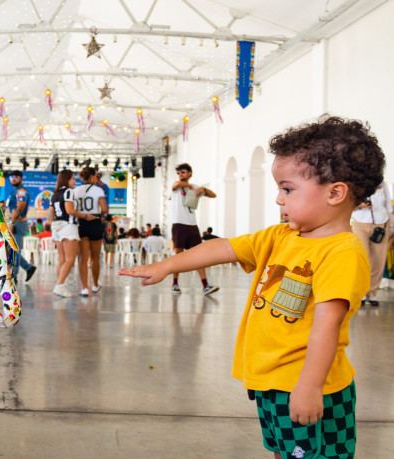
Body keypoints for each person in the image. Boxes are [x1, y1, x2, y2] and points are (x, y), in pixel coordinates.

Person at [121, 116, 383, 459]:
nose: (278, 200)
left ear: (335, 193)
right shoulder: (280, 236)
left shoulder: (342, 252)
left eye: (287, 189)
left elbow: (327, 325)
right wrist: (167, 265)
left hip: (307, 383)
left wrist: (310, 386)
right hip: (270, 383)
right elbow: (224, 247)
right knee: (282, 451)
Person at [170, 163, 219, 295]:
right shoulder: (176, 187)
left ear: (190, 173)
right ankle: (175, 283)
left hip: (192, 225)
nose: (180, 174)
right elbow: (176, 185)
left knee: (198, 255)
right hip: (179, 224)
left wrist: (202, 188)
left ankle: (205, 285)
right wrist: (191, 187)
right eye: (179, 172)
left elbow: (213, 195)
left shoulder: (196, 187)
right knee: (178, 254)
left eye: (183, 172)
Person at [49, 170, 91, 297]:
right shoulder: (68, 192)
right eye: (73, 178)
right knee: (70, 259)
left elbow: (50, 216)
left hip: (56, 227)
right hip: (68, 227)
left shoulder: (54, 195)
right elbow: (70, 210)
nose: (75, 181)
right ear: (66, 179)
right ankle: (60, 286)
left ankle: (60, 285)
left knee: (62, 259)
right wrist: (85, 216)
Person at [351, 183, 393, 306]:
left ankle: (372, 294)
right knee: (363, 259)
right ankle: (362, 294)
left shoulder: (383, 186)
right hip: (360, 223)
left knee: (378, 261)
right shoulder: (356, 183)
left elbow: (389, 209)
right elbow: (346, 205)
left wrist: (392, 230)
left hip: (381, 224)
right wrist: (359, 205)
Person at [74, 167, 107, 296]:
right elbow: (103, 208)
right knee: (95, 258)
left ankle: (84, 287)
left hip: (81, 222)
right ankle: (95, 284)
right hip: (95, 221)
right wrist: (99, 214)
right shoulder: (98, 190)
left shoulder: (76, 190)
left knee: (83, 258)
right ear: (93, 176)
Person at [6, 171, 37, 281]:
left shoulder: (21, 191)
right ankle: (29, 268)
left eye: (16, 177)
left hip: (18, 223)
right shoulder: (14, 191)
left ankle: (14, 276)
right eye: (12, 177)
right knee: (12, 250)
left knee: (14, 250)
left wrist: (13, 221)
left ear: (21, 178)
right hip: (15, 222)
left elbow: (20, 207)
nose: (13, 179)